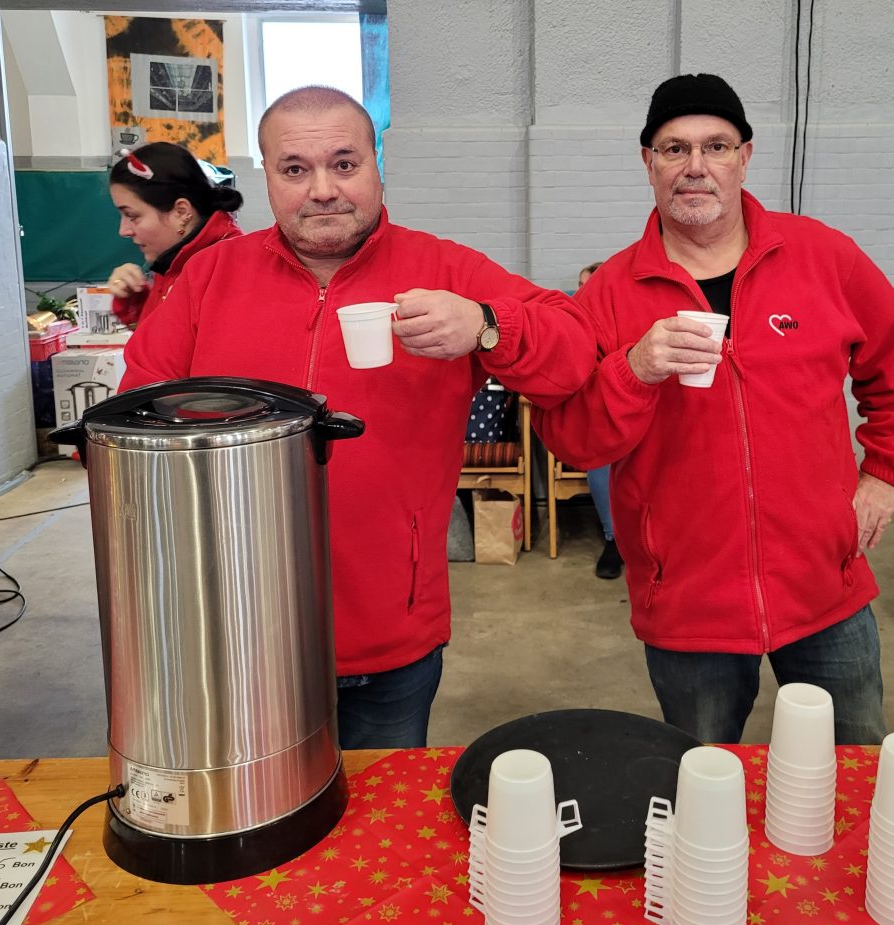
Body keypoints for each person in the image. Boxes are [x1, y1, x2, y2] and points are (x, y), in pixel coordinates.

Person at [118, 86, 597, 750]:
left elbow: (575, 353)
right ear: (266, 177)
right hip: (234, 629)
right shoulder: (209, 279)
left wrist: (487, 324)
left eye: (344, 164)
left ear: (376, 166)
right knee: (257, 807)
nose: (322, 190)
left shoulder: (443, 269)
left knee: (383, 807)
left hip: (389, 632)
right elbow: (134, 413)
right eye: (295, 169)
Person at [534, 74, 894, 744]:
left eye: (716, 146)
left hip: (825, 585)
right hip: (688, 603)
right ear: (649, 163)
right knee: (704, 777)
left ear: (744, 157)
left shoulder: (822, 256)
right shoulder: (607, 294)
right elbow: (573, 439)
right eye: (675, 149)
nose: (696, 166)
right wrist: (635, 369)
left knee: (856, 766)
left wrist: (888, 475)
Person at [106, 142, 244, 327]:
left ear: (181, 212)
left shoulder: (227, 270)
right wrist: (136, 301)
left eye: (132, 216)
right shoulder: (175, 259)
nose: (123, 231)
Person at [576, 262, 622, 580]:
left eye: (588, 286)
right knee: (601, 463)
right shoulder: (571, 325)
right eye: (580, 286)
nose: (582, 293)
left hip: (632, 415)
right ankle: (613, 540)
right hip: (595, 420)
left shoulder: (621, 320)